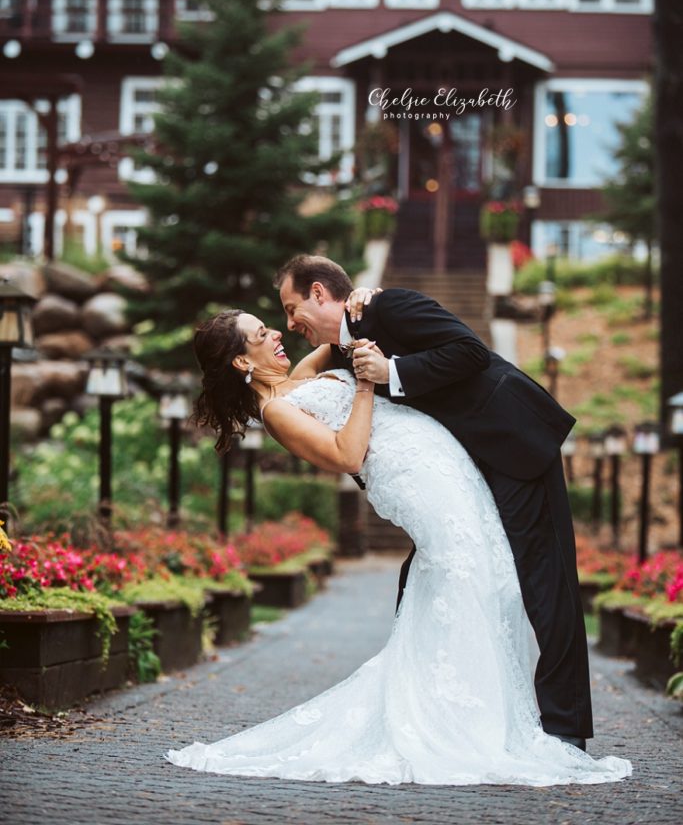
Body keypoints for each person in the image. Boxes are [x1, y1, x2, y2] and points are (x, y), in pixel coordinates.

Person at [165, 307, 631, 785]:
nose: (278, 332)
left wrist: (361, 304)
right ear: (243, 362)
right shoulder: (277, 413)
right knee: (465, 571)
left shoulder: (299, 377)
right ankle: (463, 719)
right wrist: (365, 385)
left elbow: (340, 337)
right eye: (262, 333)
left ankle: (466, 706)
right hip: (414, 482)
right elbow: (347, 453)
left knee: (491, 573)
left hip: (445, 466)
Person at [276, 255, 591, 750]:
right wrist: (348, 337)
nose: (290, 324)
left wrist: (391, 369)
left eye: (294, 310)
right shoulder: (342, 348)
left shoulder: (391, 308)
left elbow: (471, 351)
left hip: (511, 440)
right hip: (464, 471)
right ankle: (434, 711)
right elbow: (291, 385)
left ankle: (566, 731)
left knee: (545, 584)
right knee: (429, 579)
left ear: (319, 293)